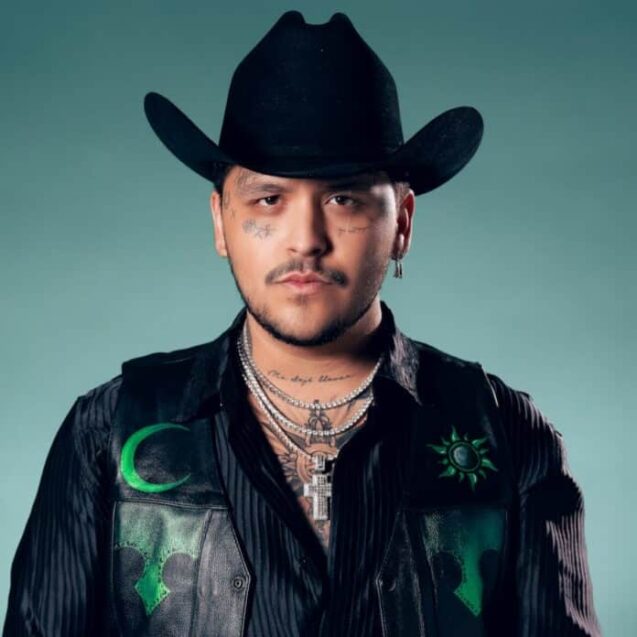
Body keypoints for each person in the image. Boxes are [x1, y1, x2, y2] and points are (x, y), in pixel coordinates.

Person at [3, 10, 602, 637]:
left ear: (401, 223)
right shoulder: (108, 431)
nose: (306, 239)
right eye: (269, 199)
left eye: (344, 198)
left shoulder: (506, 433)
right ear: (220, 222)